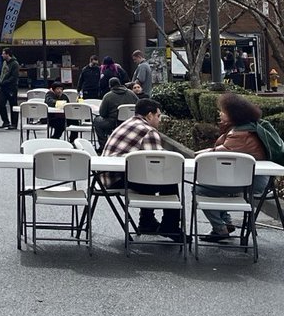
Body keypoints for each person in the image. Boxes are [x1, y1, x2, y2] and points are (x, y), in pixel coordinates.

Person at [100, 98, 184, 242]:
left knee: (146, 175)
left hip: (105, 176)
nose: (159, 120)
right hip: (119, 178)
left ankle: (147, 222)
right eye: (158, 116)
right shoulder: (149, 131)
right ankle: (170, 226)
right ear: (149, 115)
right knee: (168, 180)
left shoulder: (128, 123)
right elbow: (159, 161)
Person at [194, 92, 269, 242]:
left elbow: (219, 154)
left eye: (223, 111)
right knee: (217, 186)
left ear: (233, 114)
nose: (219, 113)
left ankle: (220, 228)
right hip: (255, 179)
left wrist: (200, 153)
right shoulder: (248, 129)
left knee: (199, 189)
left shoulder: (239, 134)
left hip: (249, 183)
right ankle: (226, 222)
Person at [93, 76, 139, 147]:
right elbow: (139, 105)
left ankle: (104, 145)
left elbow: (102, 113)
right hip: (131, 121)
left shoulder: (108, 96)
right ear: (120, 83)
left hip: (113, 122)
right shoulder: (131, 93)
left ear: (110, 86)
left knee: (97, 121)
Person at [0, 48, 21, 130]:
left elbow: (14, 77)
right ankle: (5, 121)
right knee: (1, 104)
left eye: (3, 54)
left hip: (11, 87)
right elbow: (2, 73)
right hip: (2, 87)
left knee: (13, 105)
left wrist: (5, 82)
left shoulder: (15, 64)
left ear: (8, 54)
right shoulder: (4, 62)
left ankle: (14, 123)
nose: (2, 55)